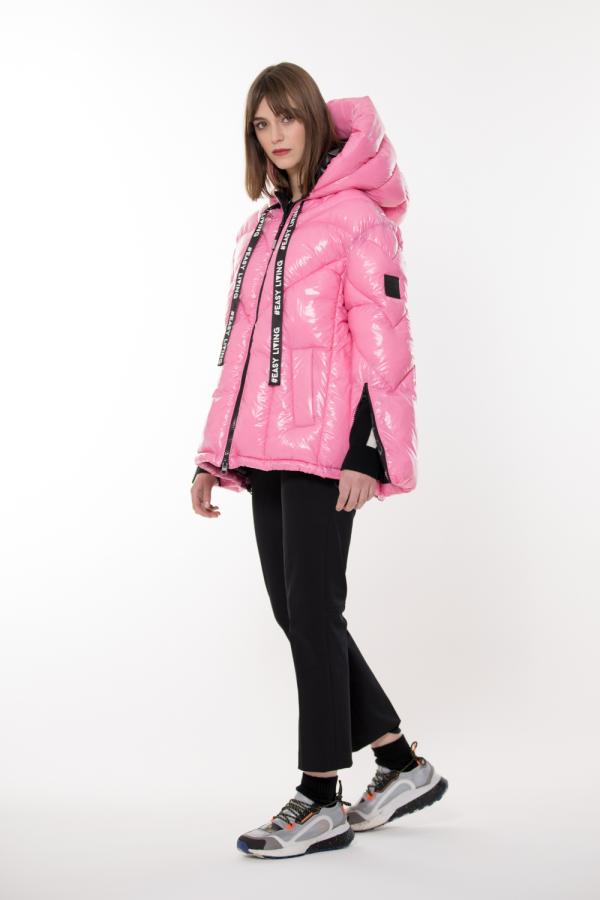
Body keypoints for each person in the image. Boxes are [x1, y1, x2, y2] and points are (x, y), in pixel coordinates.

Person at [190, 62, 448, 860]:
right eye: (260, 125)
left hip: (328, 448)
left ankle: (319, 795)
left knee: (311, 613)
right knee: (299, 614)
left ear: (313, 118)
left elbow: (384, 344)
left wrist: (368, 450)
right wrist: (211, 455)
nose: (274, 136)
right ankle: (400, 762)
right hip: (265, 447)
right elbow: (237, 357)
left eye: (286, 118)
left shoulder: (359, 219)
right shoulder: (261, 229)